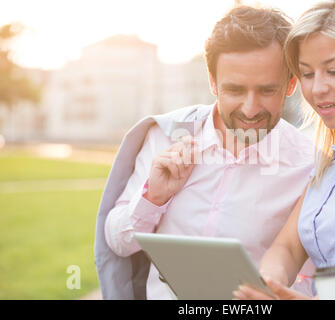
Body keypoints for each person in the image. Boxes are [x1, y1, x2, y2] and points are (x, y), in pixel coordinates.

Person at [94, 5, 315, 300]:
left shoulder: (308, 166)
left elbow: (308, 276)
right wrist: (153, 197)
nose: (250, 109)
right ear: (212, 81)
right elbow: (117, 243)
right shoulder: (163, 137)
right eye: (235, 90)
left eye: (266, 90)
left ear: (290, 84)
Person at [233, 0, 335, 300]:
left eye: (334, 71)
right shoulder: (331, 163)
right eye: (307, 74)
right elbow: (287, 247)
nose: (316, 89)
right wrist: (269, 285)